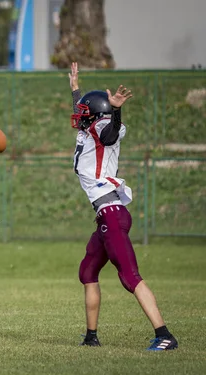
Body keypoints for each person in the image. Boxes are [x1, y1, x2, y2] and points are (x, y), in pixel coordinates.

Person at [68, 62, 177, 351]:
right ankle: (91, 337)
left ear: (96, 115)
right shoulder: (89, 125)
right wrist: (76, 90)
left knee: (130, 277)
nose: (78, 114)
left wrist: (116, 110)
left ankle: (164, 334)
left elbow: (110, 133)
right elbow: (88, 114)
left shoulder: (103, 127)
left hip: (112, 215)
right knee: (87, 271)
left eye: (83, 111)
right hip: (107, 215)